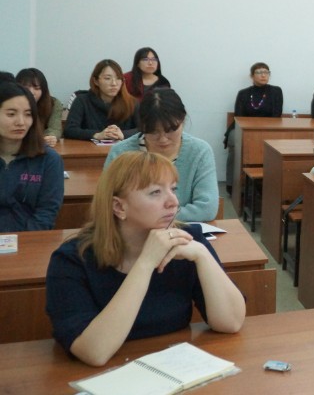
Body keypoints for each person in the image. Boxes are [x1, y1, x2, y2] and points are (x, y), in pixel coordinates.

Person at [45, 151, 245, 366]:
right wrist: (146, 263)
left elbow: (231, 323)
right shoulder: (72, 260)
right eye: (155, 192)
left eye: (174, 189)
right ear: (119, 207)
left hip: (176, 366)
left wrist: (203, 256)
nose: (173, 202)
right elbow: (94, 352)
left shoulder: (188, 240)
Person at [104, 89, 218, 222]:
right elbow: (106, 203)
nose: (163, 139)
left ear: (183, 121)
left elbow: (207, 208)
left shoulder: (200, 151)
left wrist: (147, 215)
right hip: (132, 234)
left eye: (171, 130)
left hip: (183, 233)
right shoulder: (120, 153)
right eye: (153, 132)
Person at [0, 82, 64, 232]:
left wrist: (24, 243)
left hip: (28, 241)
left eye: (28, 114)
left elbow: (47, 213)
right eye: (11, 114)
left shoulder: (49, 160)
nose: (21, 122)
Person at [64, 59, 139, 141]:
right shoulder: (82, 101)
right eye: (107, 78)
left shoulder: (132, 102)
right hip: (89, 150)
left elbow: (144, 129)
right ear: (96, 81)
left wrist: (123, 134)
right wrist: (97, 134)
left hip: (123, 151)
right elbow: (69, 130)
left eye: (118, 78)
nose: (114, 83)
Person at [16, 68, 63, 146]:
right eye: (26, 88)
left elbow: (55, 128)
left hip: (40, 146)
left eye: (37, 88)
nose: (31, 92)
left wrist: (50, 136)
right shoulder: (9, 103)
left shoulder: (53, 103)